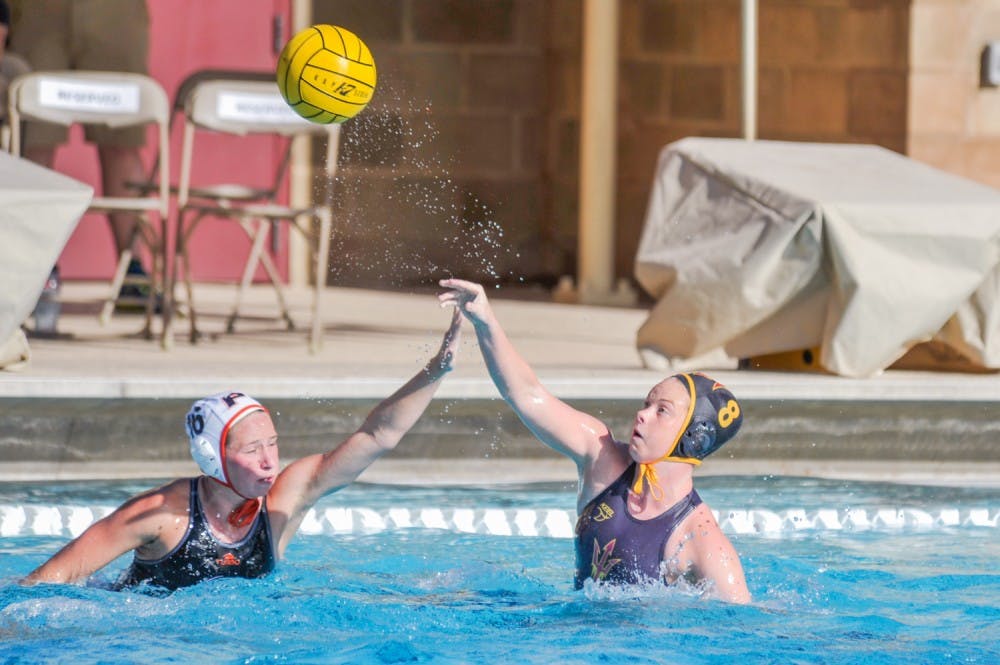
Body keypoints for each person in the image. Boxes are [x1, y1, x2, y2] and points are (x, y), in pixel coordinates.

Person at [22, 309, 463, 592]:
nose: (270, 460)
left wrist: (437, 368)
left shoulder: (281, 501)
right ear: (213, 458)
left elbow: (377, 437)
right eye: (253, 450)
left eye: (273, 443)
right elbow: (46, 583)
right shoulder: (160, 515)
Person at [438, 278, 751, 603]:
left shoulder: (701, 541)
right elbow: (528, 396)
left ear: (693, 438)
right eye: (646, 404)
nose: (642, 415)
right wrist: (486, 319)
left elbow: (741, 626)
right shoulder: (604, 459)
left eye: (662, 411)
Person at [9, 0, 153, 301]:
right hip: (38, 12)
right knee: (34, 137)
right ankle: (35, 272)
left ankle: (133, 270)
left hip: (114, 12)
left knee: (123, 137)